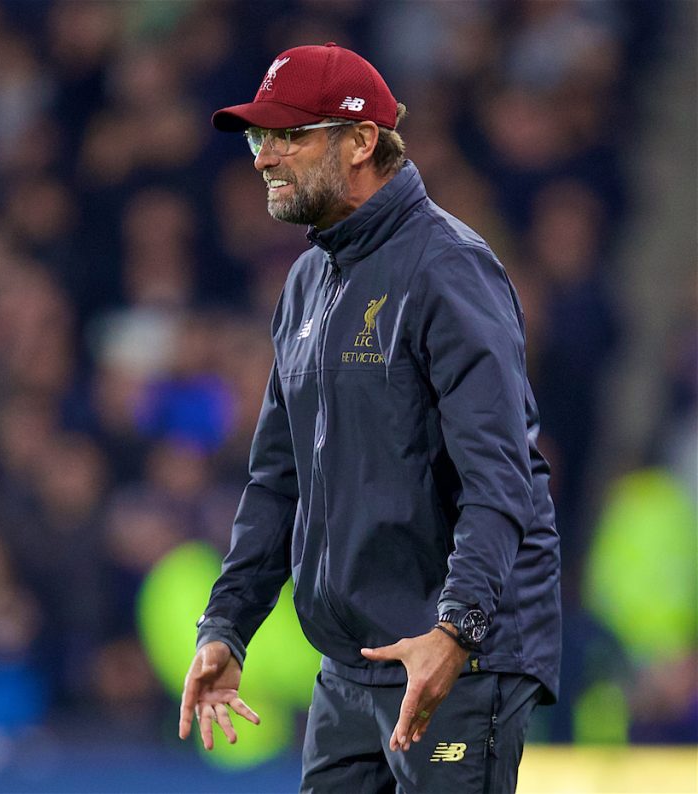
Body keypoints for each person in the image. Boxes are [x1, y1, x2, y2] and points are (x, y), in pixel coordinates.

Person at [178, 43, 561, 793]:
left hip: (455, 659)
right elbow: (276, 480)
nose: (264, 158)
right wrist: (227, 625)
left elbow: (501, 476)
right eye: (261, 138)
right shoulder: (307, 282)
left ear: (359, 141)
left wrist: (456, 634)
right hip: (352, 667)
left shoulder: (447, 268)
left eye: (291, 136)